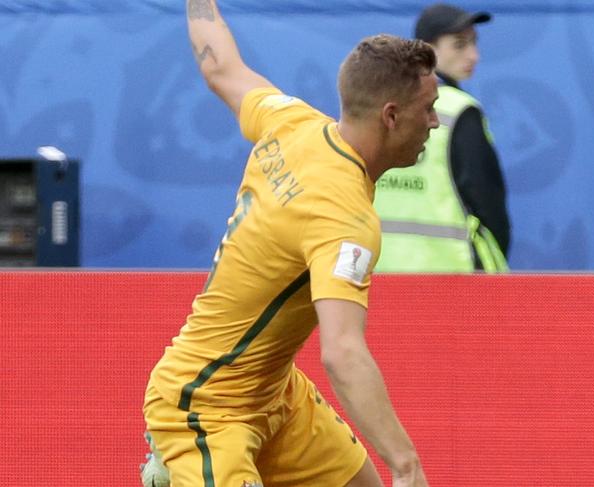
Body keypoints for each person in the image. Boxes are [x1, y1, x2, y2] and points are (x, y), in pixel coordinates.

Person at [140, 1, 439, 486]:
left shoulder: (291, 121)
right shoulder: (343, 217)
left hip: (276, 393)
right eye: (428, 109)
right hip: (207, 405)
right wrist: (407, 464)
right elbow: (342, 353)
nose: (434, 123)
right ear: (391, 115)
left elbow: (221, 68)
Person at [373, 3, 510, 273]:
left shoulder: (379, 106)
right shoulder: (459, 110)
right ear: (427, 51)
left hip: (380, 278)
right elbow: (489, 204)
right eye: (460, 45)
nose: (474, 55)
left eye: (474, 43)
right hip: (451, 280)